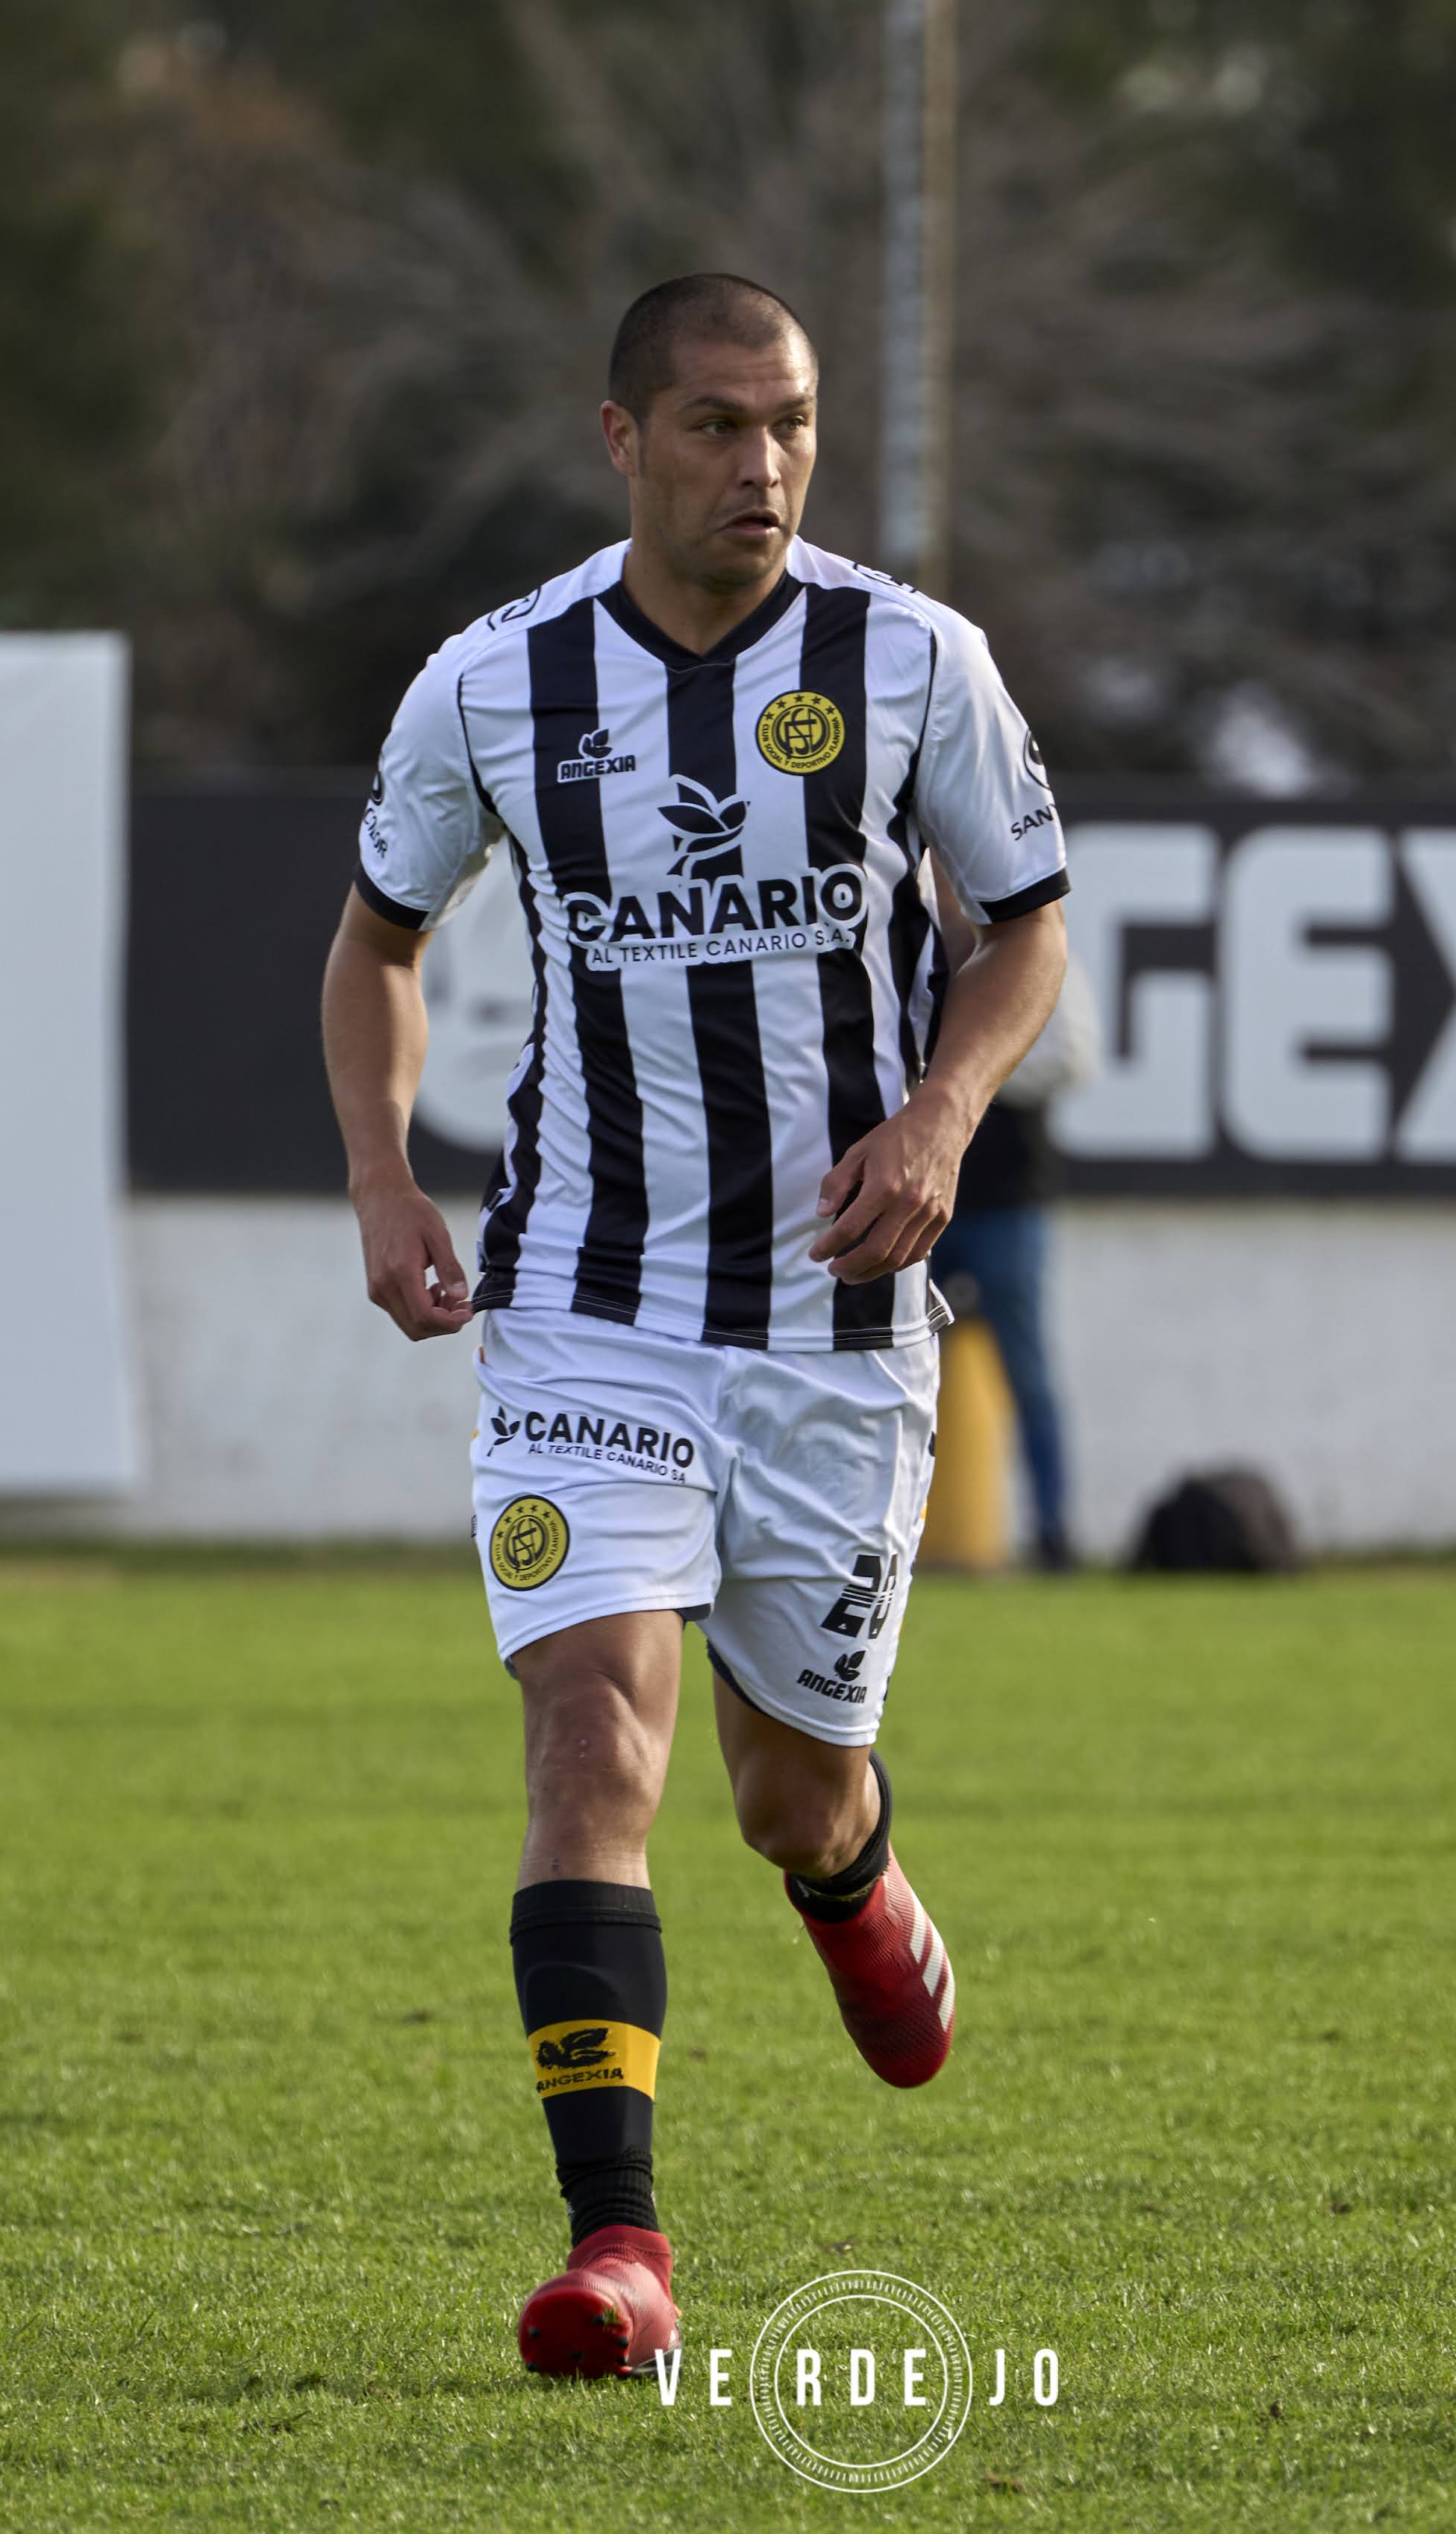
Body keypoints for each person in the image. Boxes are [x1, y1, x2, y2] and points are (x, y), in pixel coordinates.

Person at [319, 274, 1069, 2378]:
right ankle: (620, 2253)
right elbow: (375, 945)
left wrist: (941, 1106)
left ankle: (855, 1884)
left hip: (834, 1326)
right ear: (623, 438)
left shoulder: (912, 658)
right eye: (721, 425)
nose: (764, 464)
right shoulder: (495, 684)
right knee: (593, 1742)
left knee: (786, 1789)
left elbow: (1022, 928)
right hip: (586, 1305)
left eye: (794, 424)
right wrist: (387, 1179)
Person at [929, 949, 1098, 1569]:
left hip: (1008, 1203)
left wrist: (963, 1069)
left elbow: (1071, 1055)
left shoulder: (1038, 952)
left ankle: (1054, 1531)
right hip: (921, 1195)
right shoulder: (908, 940)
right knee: (890, 1366)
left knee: (1027, 1373)